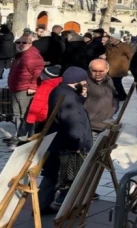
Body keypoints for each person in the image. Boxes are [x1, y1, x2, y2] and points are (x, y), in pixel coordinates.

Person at [38, 67, 94, 214]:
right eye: (84, 82)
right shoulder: (68, 97)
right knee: (68, 178)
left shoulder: (62, 91)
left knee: (51, 174)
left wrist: (82, 96)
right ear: (78, 81)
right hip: (67, 144)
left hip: (59, 141)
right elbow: (73, 121)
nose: (85, 84)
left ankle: (42, 206)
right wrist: (77, 144)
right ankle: (66, 209)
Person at [4, 36, 44, 146]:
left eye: (24, 42)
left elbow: (38, 72)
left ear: (30, 44)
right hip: (16, 88)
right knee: (17, 113)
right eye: (18, 42)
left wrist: (32, 86)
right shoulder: (21, 55)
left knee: (25, 114)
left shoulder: (32, 56)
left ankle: (27, 137)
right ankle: (20, 135)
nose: (21, 44)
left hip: (25, 89)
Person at [84, 59, 118, 138]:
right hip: (90, 127)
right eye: (94, 71)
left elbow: (115, 96)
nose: (97, 74)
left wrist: (114, 108)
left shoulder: (108, 80)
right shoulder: (84, 81)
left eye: (101, 71)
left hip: (105, 125)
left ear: (107, 70)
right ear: (89, 70)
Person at [26, 65, 63, 133]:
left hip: (42, 116)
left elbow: (38, 104)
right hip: (54, 116)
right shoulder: (58, 83)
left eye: (42, 73)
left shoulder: (45, 86)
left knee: (37, 135)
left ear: (47, 76)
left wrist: (31, 118)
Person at [105, 33, 133, 101]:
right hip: (110, 67)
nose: (110, 40)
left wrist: (129, 65)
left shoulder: (124, 46)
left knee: (117, 82)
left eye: (112, 38)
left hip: (119, 68)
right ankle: (120, 95)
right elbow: (108, 54)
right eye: (110, 38)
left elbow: (131, 56)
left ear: (117, 39)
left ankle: (122, 96)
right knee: (113, 82)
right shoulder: (110, 46)